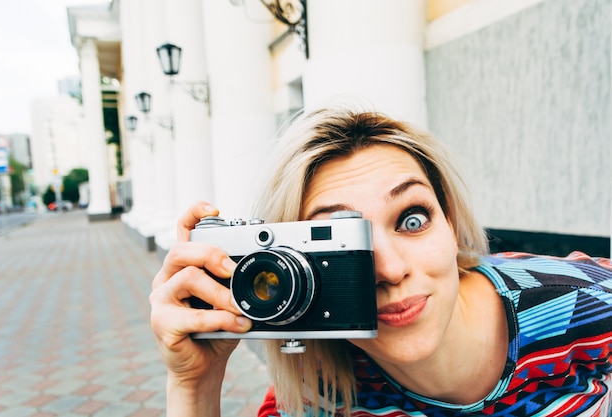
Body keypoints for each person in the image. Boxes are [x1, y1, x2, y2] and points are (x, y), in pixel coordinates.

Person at [149, 105, 612, 417]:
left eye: (412, 220)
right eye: (344, 244)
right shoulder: (319, 393)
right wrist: (194, 387)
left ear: (450, 224)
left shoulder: (581, 304)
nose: (389, 270)